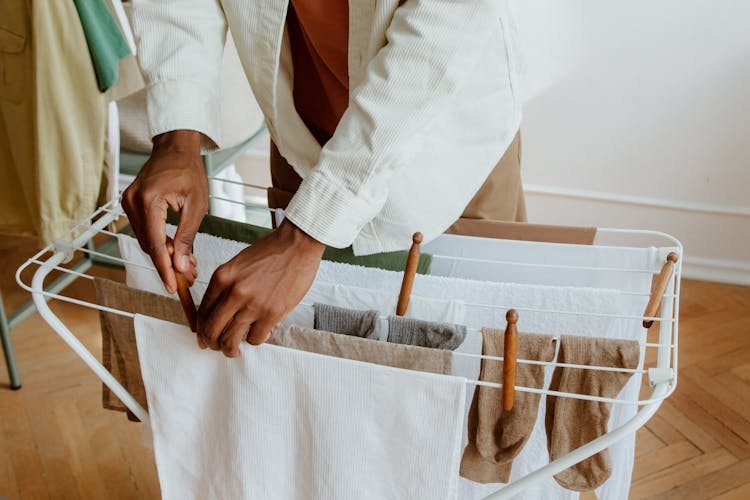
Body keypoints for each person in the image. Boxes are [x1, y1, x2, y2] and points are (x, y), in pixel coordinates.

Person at [123, 0, 524, 357]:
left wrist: (306, 233)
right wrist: (178, 135)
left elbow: (438, 35)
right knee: (297, 365)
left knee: (481, 364)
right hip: (301, 139)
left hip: (443, 149)